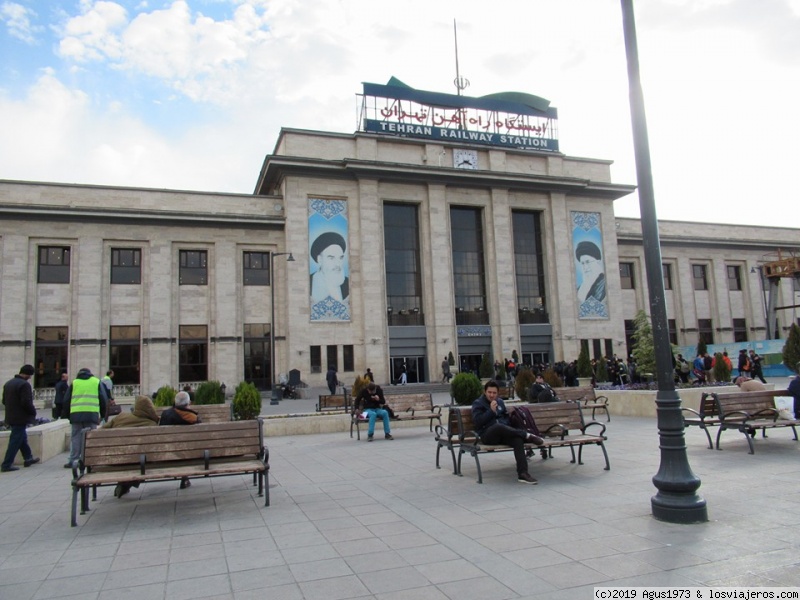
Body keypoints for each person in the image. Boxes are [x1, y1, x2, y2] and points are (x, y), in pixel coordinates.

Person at [471, 380, 543, 484]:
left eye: (494, 393)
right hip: (487, 435)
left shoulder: (500, 402)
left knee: (517, 440)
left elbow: (505, 418)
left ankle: (523, 473)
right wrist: (491, 411)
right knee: (498, 426)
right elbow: (478, 422)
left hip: (503, 432)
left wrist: (506, 424)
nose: (491, 395)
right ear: (485, 392)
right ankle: (527, 435)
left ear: (497, 393)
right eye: (489, 392)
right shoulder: (478, 403)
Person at [103, 395, 159, 497]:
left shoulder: (121, 417)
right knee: (140, 460)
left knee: (133, 459)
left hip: (115, 459)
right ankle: (126, 483)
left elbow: (101, 431)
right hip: (140, 462)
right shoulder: (152, 424)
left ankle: (125, 483)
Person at [63, 367, 109, 469]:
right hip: (91, 413)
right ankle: (91, 459)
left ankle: (73, 460)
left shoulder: (74, 383)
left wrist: (67, 415)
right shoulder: (96, 382)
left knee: (75, 437)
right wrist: (103, 414)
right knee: (91, 437)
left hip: (75, 414)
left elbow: (66, 400)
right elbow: (103, 400)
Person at [1, 364, 40, 472]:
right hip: (20, 417)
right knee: (15, 440)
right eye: (30, 375)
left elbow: (3, 401)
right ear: (28, 374)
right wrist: (33, 412)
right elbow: (26, 402)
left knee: (21, 437)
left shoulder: (8, 383)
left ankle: (28, 458)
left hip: (10, 416)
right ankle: (7, 464)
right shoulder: (24, 385)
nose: (30, 377)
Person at [159, 391, 201, 488]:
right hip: (190, 454)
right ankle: (184, 476)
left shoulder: (165, 414)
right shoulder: (193, 418)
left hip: (166, 453)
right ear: (188, 403)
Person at [310, 231, 349, 304]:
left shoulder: (348, 283)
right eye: (331, 258)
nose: (338, 264)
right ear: (319, 259)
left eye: (340, 258)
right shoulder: (308, 282)